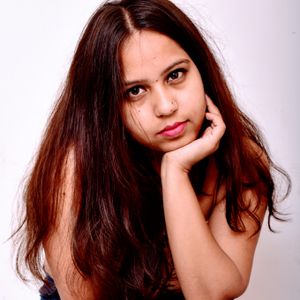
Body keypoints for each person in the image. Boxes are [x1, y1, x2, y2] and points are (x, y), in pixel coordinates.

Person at [13, 0, 290, 299]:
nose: (166, 106)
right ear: (106, 106)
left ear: (201, 69)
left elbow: (209, 295)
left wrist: (175, 172)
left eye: (175, 75)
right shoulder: (72, 169)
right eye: (135, 91)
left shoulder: (241, 162)